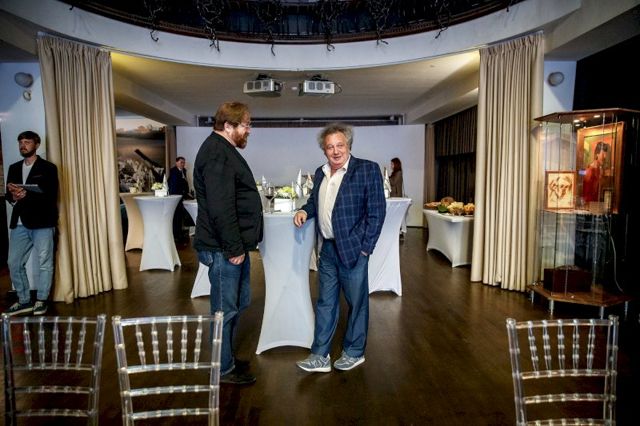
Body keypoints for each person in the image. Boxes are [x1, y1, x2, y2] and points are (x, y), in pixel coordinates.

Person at [294, 123, 386, 373]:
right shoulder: (321, 172)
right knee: (325, 303)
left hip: (354, 250)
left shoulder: (367, 169)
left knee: (357, 304)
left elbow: (377, 213)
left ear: (348, 145)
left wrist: (365, 248)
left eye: (340, 145)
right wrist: (304, 210)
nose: (335, 151)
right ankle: (320, 355)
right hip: (327, 249)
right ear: (324, 150)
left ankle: (355, 352)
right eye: (330, 147)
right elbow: (314, 202)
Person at [193, 101, 262, 385]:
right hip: (224, 249)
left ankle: (227, 359)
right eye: (246, 125)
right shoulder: (216, 153)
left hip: (232, 247)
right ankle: (221, 369)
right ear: (228, 126)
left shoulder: (222, 149)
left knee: (238, 303)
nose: (249, 131)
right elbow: (221, 208)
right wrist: (234, 249)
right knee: (224, 310)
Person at [4, 131, 59, 316]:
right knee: (14, 263)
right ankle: (24, 300)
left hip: (43, 222)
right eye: (20, 142)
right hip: (19, 223)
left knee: (45, 263)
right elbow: (8, 195)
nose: (23, 145)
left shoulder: (48, 168)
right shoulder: (13, 168)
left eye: (27, 142)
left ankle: (41, 300)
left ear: (37, 145)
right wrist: (14, 196)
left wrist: (27, 194)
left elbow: (51, 195)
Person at [168, 156, 192, 241]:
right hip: (175, 197)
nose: (183, 164)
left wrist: (186, 193)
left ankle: (179, 233)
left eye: (184, 162)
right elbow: (173, 185)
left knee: (180, 216)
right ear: (176, 163)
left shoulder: (184, 171)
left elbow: (185, 183)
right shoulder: (173, 171)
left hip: (182, 196)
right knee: (176, 216)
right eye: (181, 162)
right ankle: (175, 234)